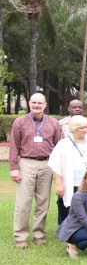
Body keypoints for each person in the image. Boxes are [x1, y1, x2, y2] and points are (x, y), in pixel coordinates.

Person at [9, 93, 62, 248]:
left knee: (43, 202)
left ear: (45, 105)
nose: (36, 105)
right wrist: (13, 168)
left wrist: (57, 169)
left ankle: (39, 234)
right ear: (29, 103)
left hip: (47, 164)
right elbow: (14, 146)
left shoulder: (53, 123)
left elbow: (59, 148)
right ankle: (20, 236)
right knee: (23, 203)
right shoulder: (19, 122)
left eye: (40, 103)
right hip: (26, 163)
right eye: (34, 102)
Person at [48, 115, 87, 224]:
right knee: (68, 206)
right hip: (71, 183)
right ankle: (66, 230)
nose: (85, 130)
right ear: (74, 129)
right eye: (82, 128)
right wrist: (59, 183)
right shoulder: (64, 143)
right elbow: (55, 164)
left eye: (86, 127)